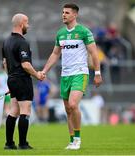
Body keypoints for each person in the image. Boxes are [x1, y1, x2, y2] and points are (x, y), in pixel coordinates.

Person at [42, 3, 102, 150]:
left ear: (75, 15)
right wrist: (44, 71)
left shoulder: (84, 32)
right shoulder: (60, 33)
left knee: (74, 104)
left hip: (80, 73)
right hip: (65, 74)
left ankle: (77, 139)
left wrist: (98, 73)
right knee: (68, 109)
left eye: (67, 12)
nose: (64, 15)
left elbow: (94, 53)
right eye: (63, 12)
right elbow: (55, 54)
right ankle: (71, 141)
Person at [2, 13, 45, 150]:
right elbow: (25, 65)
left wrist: (11, 80)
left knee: (13, 111)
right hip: (22, 79)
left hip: (12, 78)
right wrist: (37, 75)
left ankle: (9, 143)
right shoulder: (22, 42)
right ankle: (23, 144)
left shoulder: (6, 41)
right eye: (27, 23)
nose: (28, 25)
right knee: (25, 111)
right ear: (21, 24)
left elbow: (4, 63)